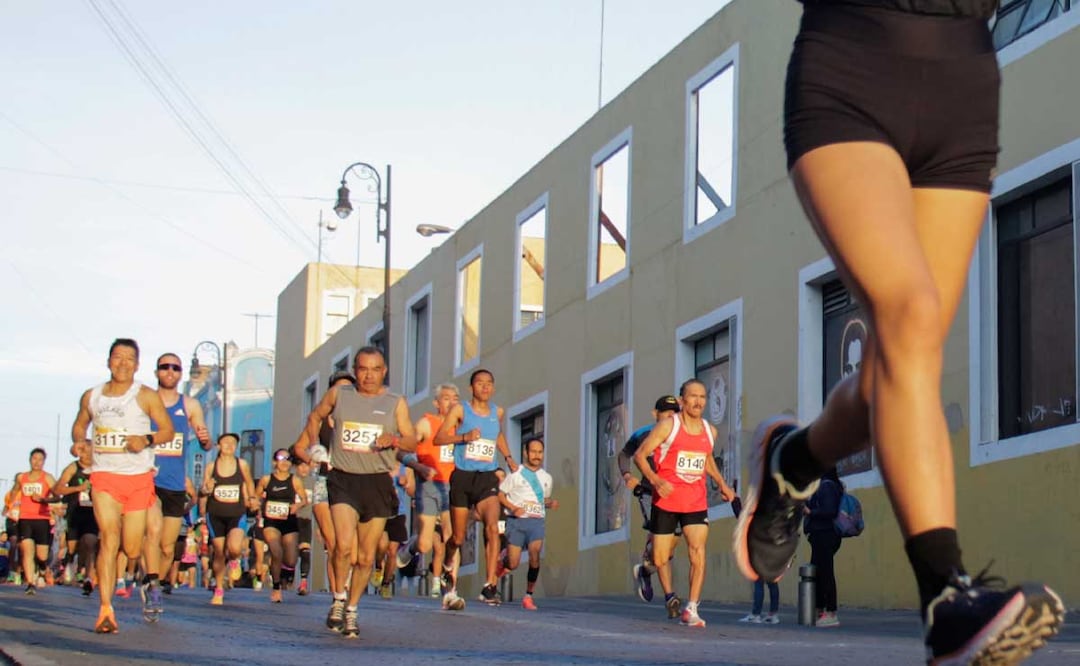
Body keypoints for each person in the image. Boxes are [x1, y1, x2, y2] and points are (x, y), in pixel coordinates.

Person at [732, 2, 1064, 662]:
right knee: (909, 316)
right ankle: (947, 596)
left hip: (965, 87)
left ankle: (792, 461)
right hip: (849, 71)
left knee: (903, 357)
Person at [292, 346, 417, 639]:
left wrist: (395, 440)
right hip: (343, 479)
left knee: (365, 557)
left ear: (384, 371)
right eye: (363, 369)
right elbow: (314, 417)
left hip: (376, 482)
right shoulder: (340, 395)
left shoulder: (395, 402)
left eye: (375, 369)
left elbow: (412, 441)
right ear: (356, 370)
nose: (368, 375)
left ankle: (352, 609)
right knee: (344, 546)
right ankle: (338, 599)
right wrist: (316, 447)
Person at [70, 338, 176, 633]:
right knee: (108, 536)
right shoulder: (92, 396)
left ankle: (143, 579)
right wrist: (80, 440)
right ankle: (106, 610)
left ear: (137, 365)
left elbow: (167, 430)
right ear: (108, 361)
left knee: (131, 548)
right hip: (104, 476)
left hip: (138, 479)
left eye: (129, 359)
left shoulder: (145, 396)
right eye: (118, 357)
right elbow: (80, 424)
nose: (123, 363)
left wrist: (147, 439)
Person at [634, 379, 735, 627]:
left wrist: (722, 484)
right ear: (682, 400)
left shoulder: (710, 431)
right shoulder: (668, 426)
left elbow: (707, 458)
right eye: (693, 396)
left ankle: (692, 608)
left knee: (698, 552)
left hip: (695, 502)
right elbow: (639, 456)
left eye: (702, 397)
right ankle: (669, 596)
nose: (698, 401)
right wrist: (656, 480)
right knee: (660, 558)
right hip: (666, 501)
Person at [435, 369, 518, 608]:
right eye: (480, 383)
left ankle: (489, 585)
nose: (485, 387)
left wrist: (509, 457)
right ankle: (447, 564)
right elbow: (439, 438)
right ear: (472, 387)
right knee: (458, 537)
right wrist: (464, 438)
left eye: (489, 384)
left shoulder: (497, 412)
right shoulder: (460, 410)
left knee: (493, 528)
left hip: (487, 478)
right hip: (462, 477)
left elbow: (497, 435)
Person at [148, 354, 210, 599]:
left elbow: (205, 441)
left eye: (175, 367)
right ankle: (148, 579)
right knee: (151, 533)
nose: (170, 371)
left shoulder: (190, 405)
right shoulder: (146, 402)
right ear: (157, 372)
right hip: (148, 480)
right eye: (164, 367)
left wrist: (206, 441)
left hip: (174, 484)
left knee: (167, 547)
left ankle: (154, 582)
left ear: (181, 373)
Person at [395, 383, 459, 599]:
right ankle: (410, 547)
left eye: (455, 398)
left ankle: (451, 589)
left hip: (454, 487)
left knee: (453, 536)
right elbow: (402, 451)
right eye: (447, 398)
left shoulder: (462, 427)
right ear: (437, 403)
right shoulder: (426, 424)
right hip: (429, 486)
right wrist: (418, 468)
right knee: (425, 544)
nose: (452, 402)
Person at [618, 395, 681, 605]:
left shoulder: (684, 433)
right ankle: (670, 596)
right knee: (659, 536)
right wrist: (628, 476)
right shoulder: (643, 434)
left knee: (670, 546)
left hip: (678, 494)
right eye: (666, 411)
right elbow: (624, 455)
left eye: (675, 411)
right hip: (648, 491)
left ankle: (646, 569)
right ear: (656, 414)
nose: (671, 415)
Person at [495, 437, 557, 610]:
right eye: (533, 452)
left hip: (536, 522)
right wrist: (513, 508)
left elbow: (542, 499)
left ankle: (528, 595)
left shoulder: (547, 478)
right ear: (526, 453)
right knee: (513, 563)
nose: (537, 456)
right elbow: (501, 495)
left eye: (540, 452)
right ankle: (504, 560)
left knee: (534, 554)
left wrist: (550, 503)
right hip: (516, 522)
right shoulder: (516, 474)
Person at [201, 432, 258, 606]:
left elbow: (249, 482)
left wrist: (252, 498)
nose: (229, 446)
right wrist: (206, 489)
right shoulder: (211, 466)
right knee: (219, 552)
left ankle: (235, 559)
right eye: (226, 442)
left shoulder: (242, 464)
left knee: (233, 548)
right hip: (216, 514)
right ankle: (219, 589)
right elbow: (204, 488)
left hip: (236, 513)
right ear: (219, 446)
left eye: (233, 443)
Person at [255, 448, 307, 603]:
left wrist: (297, 506)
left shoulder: (295, 480)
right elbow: (256, 497)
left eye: (287, 459)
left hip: (289, 521)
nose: (284, 462)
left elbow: (304, 499)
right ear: (274, 462)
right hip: (271, 521)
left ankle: (283, 573)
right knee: (276, 552)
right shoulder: (266, 480)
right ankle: (276, 587)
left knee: (291, 560)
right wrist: (258, 508)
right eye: (281, 458)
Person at [53, 440, 99, 596]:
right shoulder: (73, 468)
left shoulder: (99, 468)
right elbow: (57, 488)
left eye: (91, 451)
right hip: (74, 512)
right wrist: (78, 488)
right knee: (73, 548)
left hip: (92, 513)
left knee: (91, 543)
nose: (88, 454)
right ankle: (72, 567)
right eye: (85, 451)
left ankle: (88, 579)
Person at [803, 468, 843, 627]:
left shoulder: (827, 486)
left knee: (826, 572)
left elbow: (829, 511)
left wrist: (810, 511)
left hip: (825, 534)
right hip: (819, 535)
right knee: (818, 573)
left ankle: (831, 612)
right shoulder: (822, 486)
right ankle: (819, 610)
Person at [293, 458, 315, 596]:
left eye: (306, 466)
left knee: (305, 551)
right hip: (291, 520)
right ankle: (285, 581)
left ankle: (303, 582)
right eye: (301, 466)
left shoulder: (314, 483)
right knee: (290, 555)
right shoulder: (291, 480)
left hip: (306, 520)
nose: (304, 469)